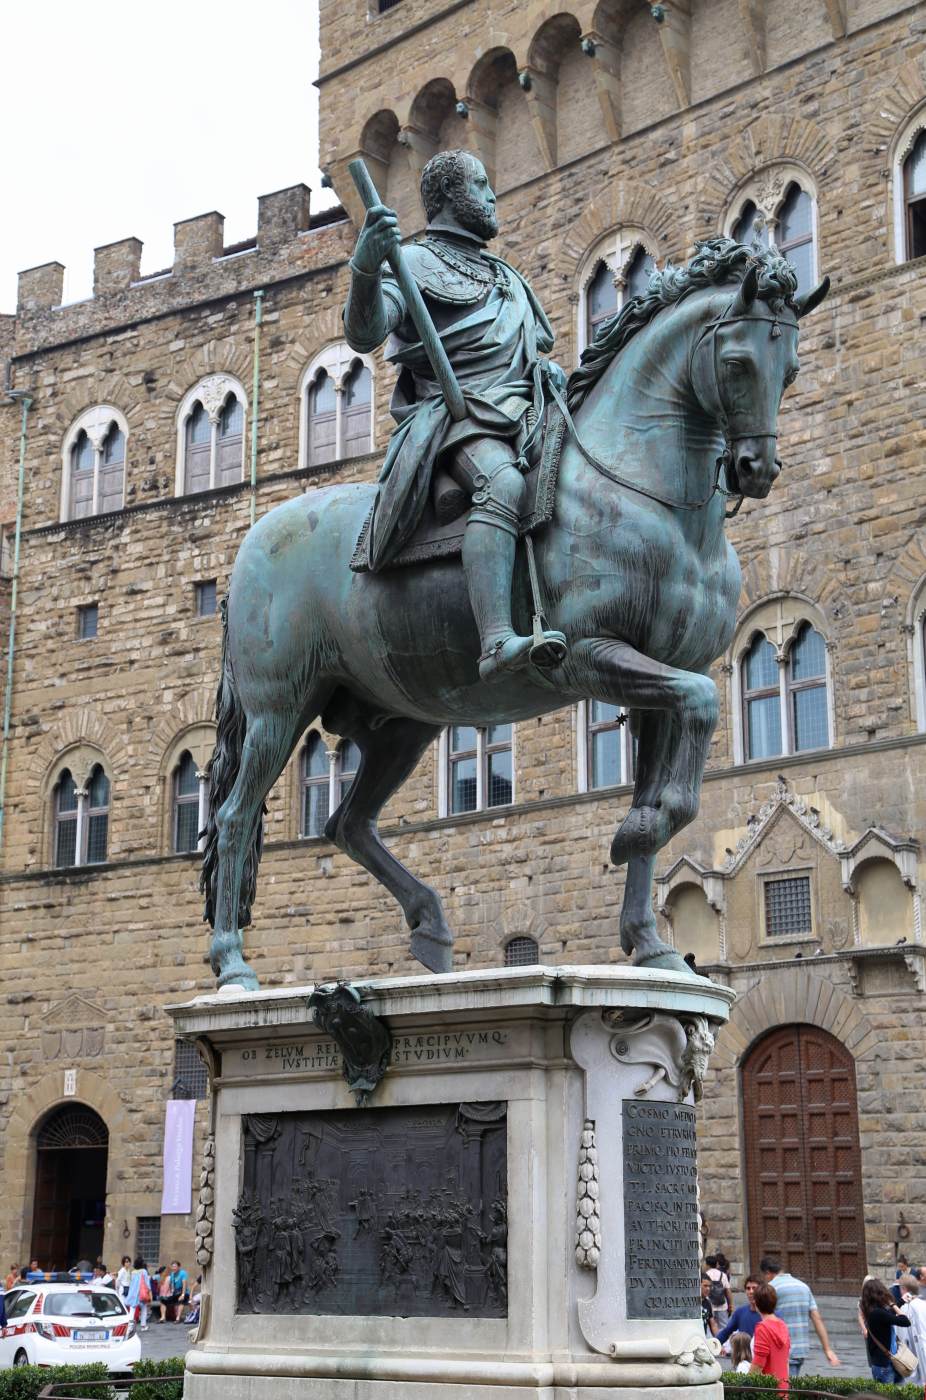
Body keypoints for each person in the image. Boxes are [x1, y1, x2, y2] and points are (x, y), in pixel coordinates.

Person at [343, 148, 568, 680]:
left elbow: (531, 351)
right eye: (481, 184)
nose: (493, 196)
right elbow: (365, 331)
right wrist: (366, 267)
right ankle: (495, 641)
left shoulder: (507, 276)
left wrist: (549, 375)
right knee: (504, 485)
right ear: (447, 196)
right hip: (460, 418)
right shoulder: (417, 263)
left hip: (524, 408)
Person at [761, 1256, 841, 1376]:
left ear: (767, 1273)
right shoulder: (804, 1287)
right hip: (800, 1350)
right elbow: (816, 1318)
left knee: (783, 1391)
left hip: (780, 1349)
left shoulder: (771, 1288)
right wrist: (827, 1349)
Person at [860, 1275, 913, 1385]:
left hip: (887, 1362)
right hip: (884, 1366)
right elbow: (905, 1321)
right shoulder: (877, 1313)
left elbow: (888, 1316)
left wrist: (900, 1302)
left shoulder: (873, 1311)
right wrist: (892, 1304)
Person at [751, 1282, 790, 1394]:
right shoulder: (783, 1325)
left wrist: (745, 1386)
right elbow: (786, 1360)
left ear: (757, 1304)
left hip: (768, 1390)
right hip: (783, 1387)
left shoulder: (762, 1328)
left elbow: (758, 1364)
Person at [718, 1274, 763, 1347]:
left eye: (754, 1288)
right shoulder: (740, 1312)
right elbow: (726, 1332)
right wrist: (713, 1344)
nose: (751, 1291)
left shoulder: (770, 1314)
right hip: (744, 1355)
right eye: (748, 1288)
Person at [901, 1273, 926, 1385]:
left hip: (913, 1353)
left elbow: (902, 1339)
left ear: (904, 1289)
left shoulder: (904, 1308)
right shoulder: (923, 1304)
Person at [705, 1253, 733, 1328]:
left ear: (707, 1265)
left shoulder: (705, 1275)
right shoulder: (722, 1275)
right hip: (722, 1305)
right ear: (716, 1264)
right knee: (724, 1327)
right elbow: (728, 1291)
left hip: (709, 1305)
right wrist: (730, 1305)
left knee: (710, 1328)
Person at [126, 1255, 152, 1331]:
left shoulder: (133, 1272)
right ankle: (143, 1326)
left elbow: (130, 1283)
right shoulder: (144, 1271)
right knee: (144, 1309)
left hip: (133, 1293)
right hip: (141, 1293)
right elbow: (147, 1284)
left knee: (132, 1309)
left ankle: (130, 1326)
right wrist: (150, 1293)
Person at [700, 1273, 719, 1337]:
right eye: (705, 1286)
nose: (708, 1289)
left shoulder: (707, 1302)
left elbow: (713, 1324)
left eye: (709, 1286)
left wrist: (719, 1340)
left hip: (703, 1338)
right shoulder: (691, 1302)